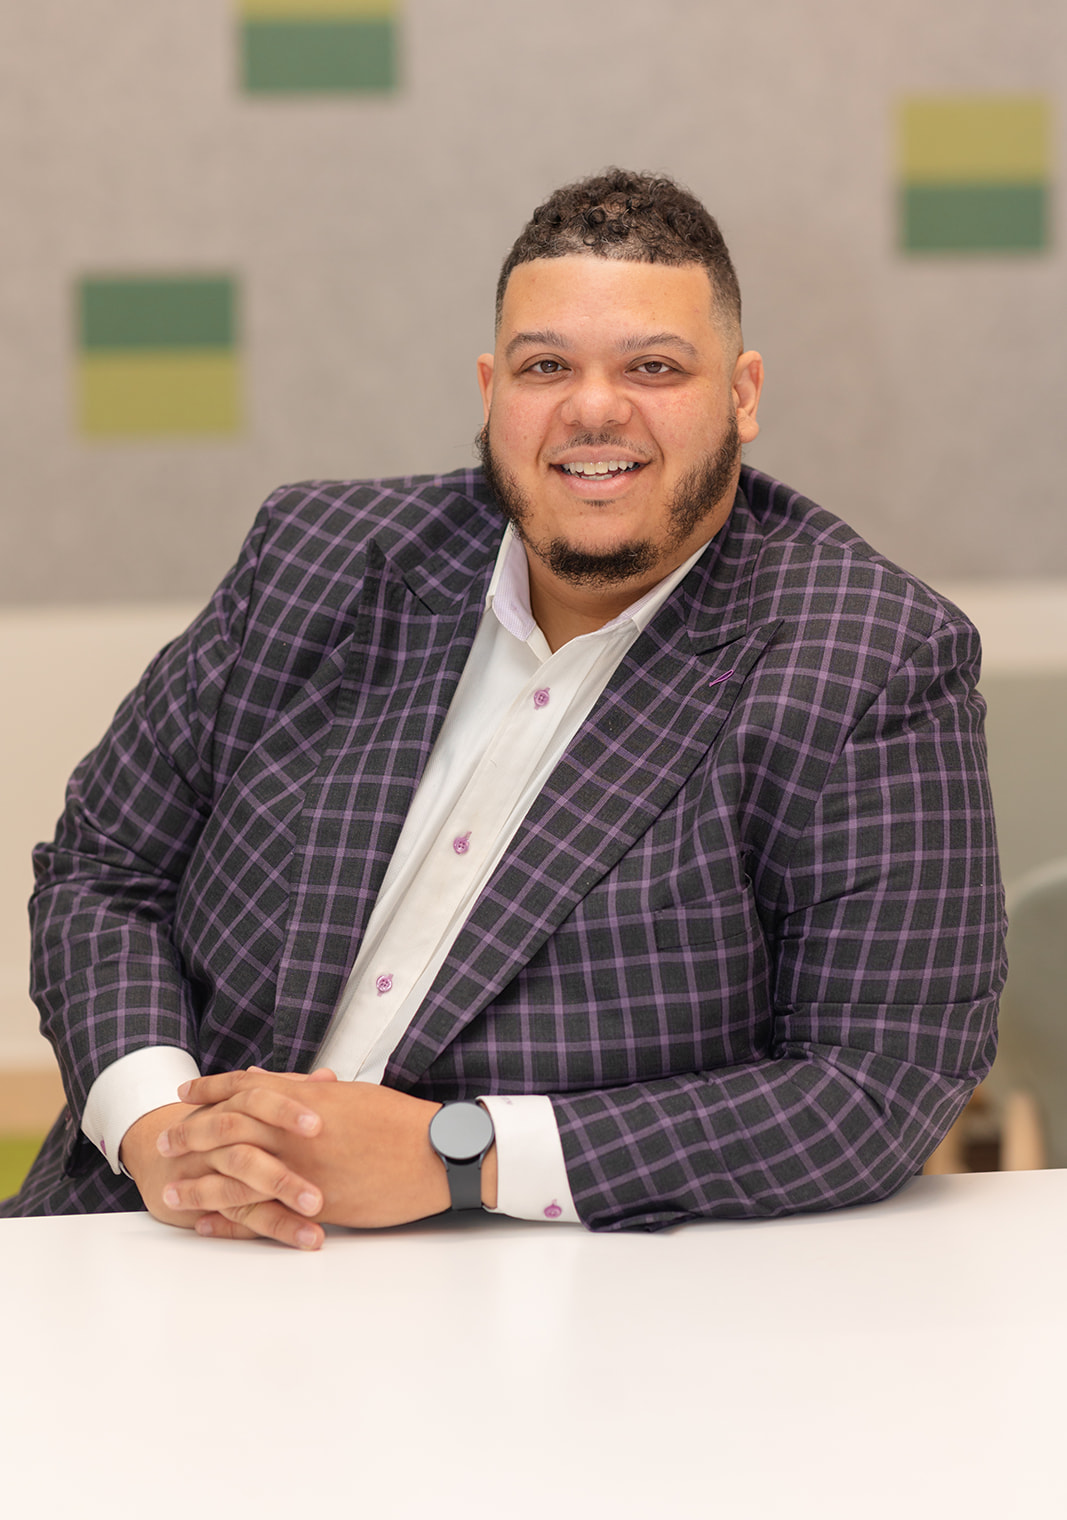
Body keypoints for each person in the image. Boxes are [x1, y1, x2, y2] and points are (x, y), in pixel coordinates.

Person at [2, 169, 1005, 1246]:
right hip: (142, 1236)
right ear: (492, 389)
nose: (591, 407)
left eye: (653, 366)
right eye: (545, 366)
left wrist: (459, 1155)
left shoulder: (869, 661)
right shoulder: (315, 556)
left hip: (516, 1300)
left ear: (742, 393)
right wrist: (158, 1129)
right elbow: (104, 869)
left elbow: (872, 1085)